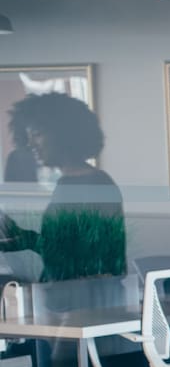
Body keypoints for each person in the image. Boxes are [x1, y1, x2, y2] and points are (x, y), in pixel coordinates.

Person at [1, 92, 126, 280]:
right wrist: (20, 237)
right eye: (29, 136)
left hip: (82, 301)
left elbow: (91, 258)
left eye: (37, 134)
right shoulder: (68, 183)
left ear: (61, 134)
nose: (31, 144)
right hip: (66, 297)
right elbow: (61, 246)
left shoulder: (93, 186)